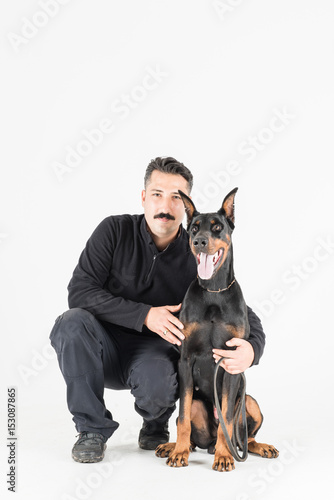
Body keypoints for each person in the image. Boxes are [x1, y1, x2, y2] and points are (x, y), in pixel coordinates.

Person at [49, 156, 265, 463]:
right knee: (71, 323)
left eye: (176, 197)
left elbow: (241, 311)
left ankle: (155, 421)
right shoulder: (113, 231)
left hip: (153, 356)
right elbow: (79, 292)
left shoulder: (199, 253)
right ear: (143, 198)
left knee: (161, 380)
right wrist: (145, 315)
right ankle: (91, 430)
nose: (165, 205)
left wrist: (252, 350)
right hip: (101, 348)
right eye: (157, 194)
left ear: (186, 207)